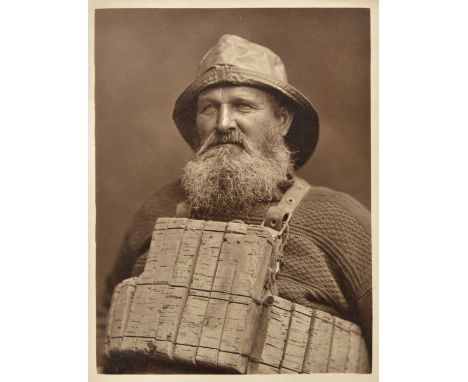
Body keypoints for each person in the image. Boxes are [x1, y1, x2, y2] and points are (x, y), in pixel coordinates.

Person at [100, 34, 372, 374]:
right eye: (209, 108)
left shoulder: (337, 219)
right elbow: (105, 315)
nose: (223, 123)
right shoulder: (158, 208)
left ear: (282, 120)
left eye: (243, 105)